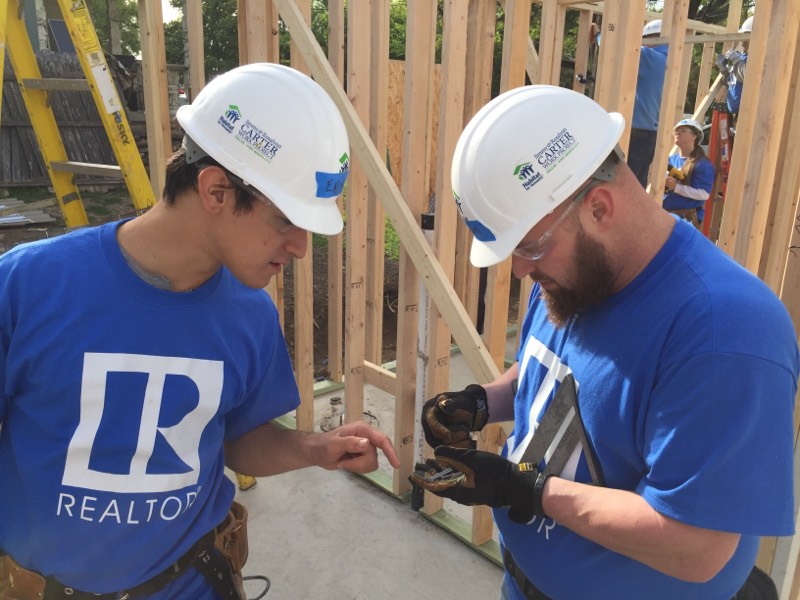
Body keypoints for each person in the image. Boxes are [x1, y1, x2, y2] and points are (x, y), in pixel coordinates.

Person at [0, 63, 400, 599]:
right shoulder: (28, 285)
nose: (301, 248)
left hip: (193, 584)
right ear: (215, 189)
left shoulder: (251, 315)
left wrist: (312, 448)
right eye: (286, 221)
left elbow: (239, 438)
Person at [412, 85, 797, 599]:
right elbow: (548, 373)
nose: (521, 269)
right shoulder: (574, 277)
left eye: (528, 246)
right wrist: (483, 401)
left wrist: (525, 488)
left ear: (598, 208)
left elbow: (696, 546)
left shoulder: (724, 329)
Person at [590, 19, 668, 189]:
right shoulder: (671, 60)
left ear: (650, 39)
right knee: (636, 186)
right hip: (651, 136)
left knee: (619, 186)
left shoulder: (650, 57)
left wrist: (598, 34)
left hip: (635, 134)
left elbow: (616, 50)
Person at [662, 117, 715, 227]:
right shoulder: (669, 160)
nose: (678, 133)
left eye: (683, 131)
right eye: (677, 131)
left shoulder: (703, 164)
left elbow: (703, 194)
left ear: (694, 136)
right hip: (664, 214)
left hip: (685, 219)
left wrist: (676, 187)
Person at [716, 15, 753, 126]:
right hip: (738, 116)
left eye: (746, 38)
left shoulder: (759, 59)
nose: (742, 43)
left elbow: (750, 76)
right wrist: (725, 72)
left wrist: (736, 61)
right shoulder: (742, 58)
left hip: (750, 115)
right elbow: (734, 84)